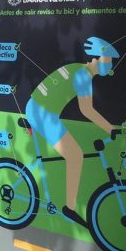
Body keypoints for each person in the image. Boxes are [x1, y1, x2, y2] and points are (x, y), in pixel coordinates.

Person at [24, 36, 119, 228]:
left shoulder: (81, 70)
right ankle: (69, 208)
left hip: (42, 109)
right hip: (41, 112)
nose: (109, 66)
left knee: (74, 152)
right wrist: (110, 129)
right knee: (75, 155)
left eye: (110, 62)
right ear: (95, 59)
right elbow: (87, 110)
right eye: (107, 61)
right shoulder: (83, 75)